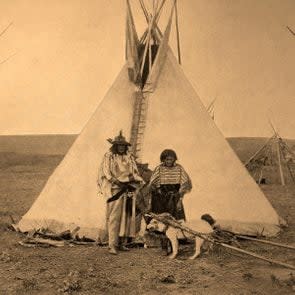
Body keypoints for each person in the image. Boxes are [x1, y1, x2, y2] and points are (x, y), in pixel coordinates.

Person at [97, 131, 144, 255]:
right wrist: (116, 182)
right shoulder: (109, 156)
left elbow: (133, 171)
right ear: (115, 146)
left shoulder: (128, 157)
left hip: (128, 188)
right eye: (119, 145)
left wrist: (135, 181)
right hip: (115, 189)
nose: (121, 147)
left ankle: (122, 243)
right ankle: (112, 245)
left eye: (123, 145)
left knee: (127, 216)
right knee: (115, 217)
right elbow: (106, 172)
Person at [149, 149, 192, 221]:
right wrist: (158, 190)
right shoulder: (159, 168)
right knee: (158, 219)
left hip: (174, 197)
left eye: (171, 159)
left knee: (176, 220)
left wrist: (180, 198)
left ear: (174, 159)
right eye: (167, 159)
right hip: (160, 198)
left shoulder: (179, 168)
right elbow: (153, 183)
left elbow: (185, 183)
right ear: (163, 159)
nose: (169, 161)